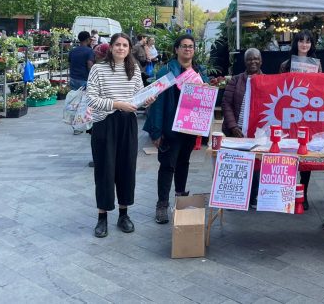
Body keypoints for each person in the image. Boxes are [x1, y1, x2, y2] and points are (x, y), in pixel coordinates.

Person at [85, 33, 154, 238]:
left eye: (125, 45)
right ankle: (102, 217)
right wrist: (117, 104)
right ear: (111, 47)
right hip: (104, 123)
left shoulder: (134, 71)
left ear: (129, 48)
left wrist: (146, 101)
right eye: (117, 45)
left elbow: (138, 98)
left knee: (126, 169)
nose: (121, 48)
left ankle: (124, 215)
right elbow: (91, 99)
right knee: (105, 170)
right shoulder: (98, 69)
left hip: (127, 123)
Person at [143, 34, 208, 224]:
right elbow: (157, 102)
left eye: (191, 46)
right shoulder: (167, 71)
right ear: (176, 49)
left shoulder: (199, 72)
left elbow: (205, 100)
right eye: (184, 46)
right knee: (167, 165)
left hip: (189, 128)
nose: (188, 49)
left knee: (183, 163)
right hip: (170, 129)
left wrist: (205, 88)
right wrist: (156, 131)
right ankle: (162, 204)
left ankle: (181, 197)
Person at [279, 29, 321, 209]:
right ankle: (286, 193)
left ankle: (303, 194)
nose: (304, 44)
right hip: (289, 114)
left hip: (308, 114)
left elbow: (321, 87)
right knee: (289, 153)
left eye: (308, 41)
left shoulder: (317, 65)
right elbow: (278, 87)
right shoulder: (286, 64)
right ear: (295, 43)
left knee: (306, 155)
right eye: (301, 41)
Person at [221, 48, 263, 206]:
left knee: (256, 166)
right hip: (236, 131)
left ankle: (253, 198)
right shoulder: (236, 80)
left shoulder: (267, 80)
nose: (253, 62)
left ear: (261, 61)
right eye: (249, 59)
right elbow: (226, 104)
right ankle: (234, 198)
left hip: (256, 133)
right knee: (236, 165)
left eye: (256, 59)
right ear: (245, 62)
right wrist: (233, 126)